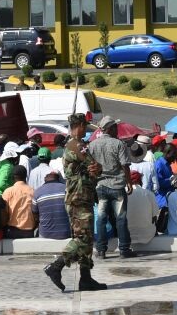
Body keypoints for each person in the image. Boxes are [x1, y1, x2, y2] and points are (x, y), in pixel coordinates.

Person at [43, 114, 105, 292]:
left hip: (81, 196)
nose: (86, 129)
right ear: (78, 125)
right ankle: (57, 265)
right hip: (79, 197)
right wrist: (97, 168)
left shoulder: (74, 144)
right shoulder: (76, 145)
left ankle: (86, 278)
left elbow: (94, 169)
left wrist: (96, 169)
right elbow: (94, 166)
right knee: (83, 238)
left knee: (87, 239)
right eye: (84, 126)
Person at [88, 117, 135, 260]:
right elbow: (125, 165)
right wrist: (129, 182)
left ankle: (101, 250)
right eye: (115, 127)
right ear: (110, 128)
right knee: (120, 218)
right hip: (117, 185)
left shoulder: (93, 145)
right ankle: (124, 249)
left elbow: (91, 166)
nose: (117, 129)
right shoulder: (118, 144)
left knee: (101, 218)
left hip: (100, 186)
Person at [124, 170, 158, 246]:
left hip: (126, 235)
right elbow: (154, 216)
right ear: (140, 180)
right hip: (147, 235)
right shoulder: (149, 193)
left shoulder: (123, 194)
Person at [34, 172, 71, 241]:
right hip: (66, 233)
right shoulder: (67, 189)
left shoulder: (37, 192)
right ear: (59, 179)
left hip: (45, 234)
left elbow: (35, 214)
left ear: (45, 179)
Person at [2, 166, 37, 239]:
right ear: (25, 176)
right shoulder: (33, 191)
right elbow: (36, 213)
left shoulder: (8, 192)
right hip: (29, 231)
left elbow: (4, 213)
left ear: (13, 177)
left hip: (12, 231)